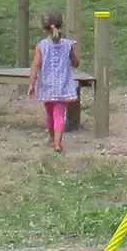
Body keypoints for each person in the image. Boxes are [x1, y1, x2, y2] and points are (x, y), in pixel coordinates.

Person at [29, 9, 80, 152]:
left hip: (46, 85)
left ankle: (52, 139)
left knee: (49, 114)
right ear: (61, 24)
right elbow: (75, 63)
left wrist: (31, 84)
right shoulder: (68, 45)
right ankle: (58, 143)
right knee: (59, 114)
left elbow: (35, 65)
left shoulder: (41, 45)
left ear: (44, 26)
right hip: (62, 86)